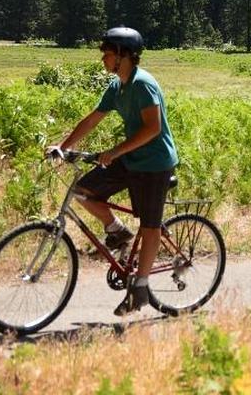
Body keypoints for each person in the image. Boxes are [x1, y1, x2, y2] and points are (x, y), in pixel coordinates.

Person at [50, 26, 179, 316]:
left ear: (123, 56)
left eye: (107, 54)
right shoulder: (116, 86)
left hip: (154, 163)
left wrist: (116, 151)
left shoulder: (143, 84)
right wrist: (64, 145)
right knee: (84, 192)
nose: (103, 59)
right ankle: (117, 231)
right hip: (131, 159)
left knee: (150, 226)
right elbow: (93, 118)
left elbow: (153, 128)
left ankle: (141, 289)